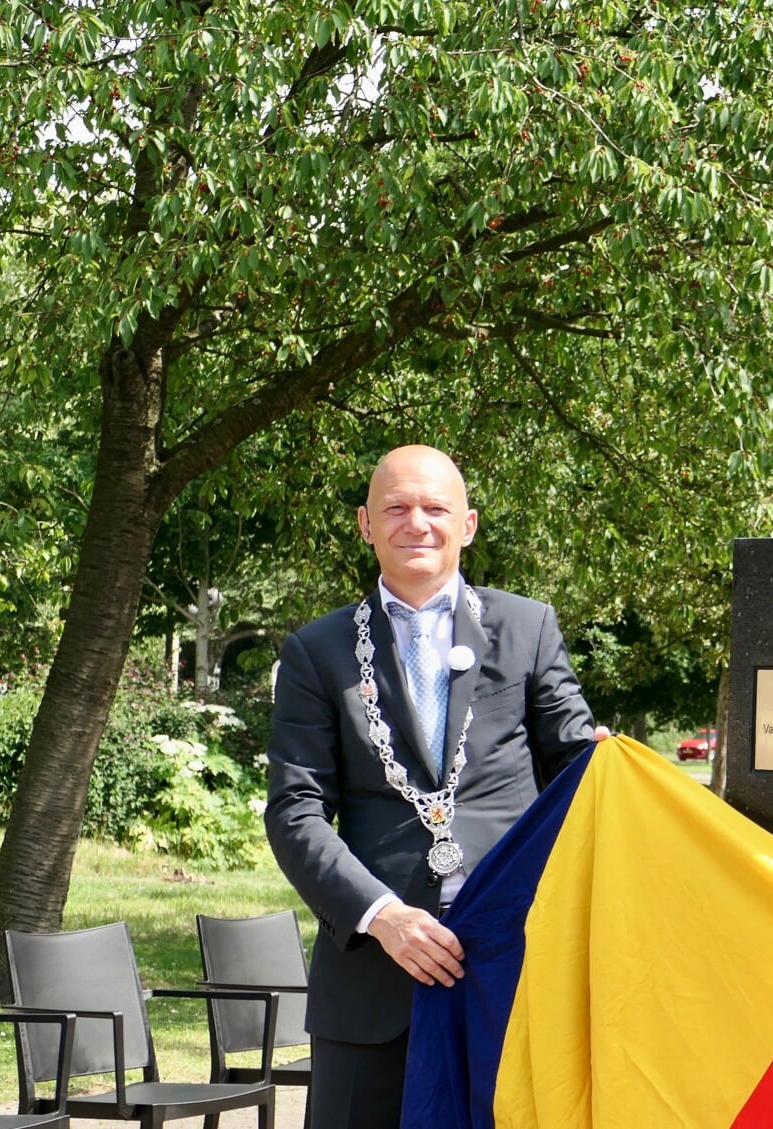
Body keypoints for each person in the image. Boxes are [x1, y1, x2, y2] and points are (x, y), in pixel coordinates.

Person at [266, 445, 599, 1129]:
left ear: (468, 524)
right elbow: (294, 810)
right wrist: (382, 916)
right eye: (395, 507)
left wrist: (612, 762)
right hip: (370, 983)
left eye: (435, 507)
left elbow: (577, 764)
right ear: (365, 523)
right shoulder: (315, 650)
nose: (415, 522)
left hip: (509, 969)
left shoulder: (528, 627)